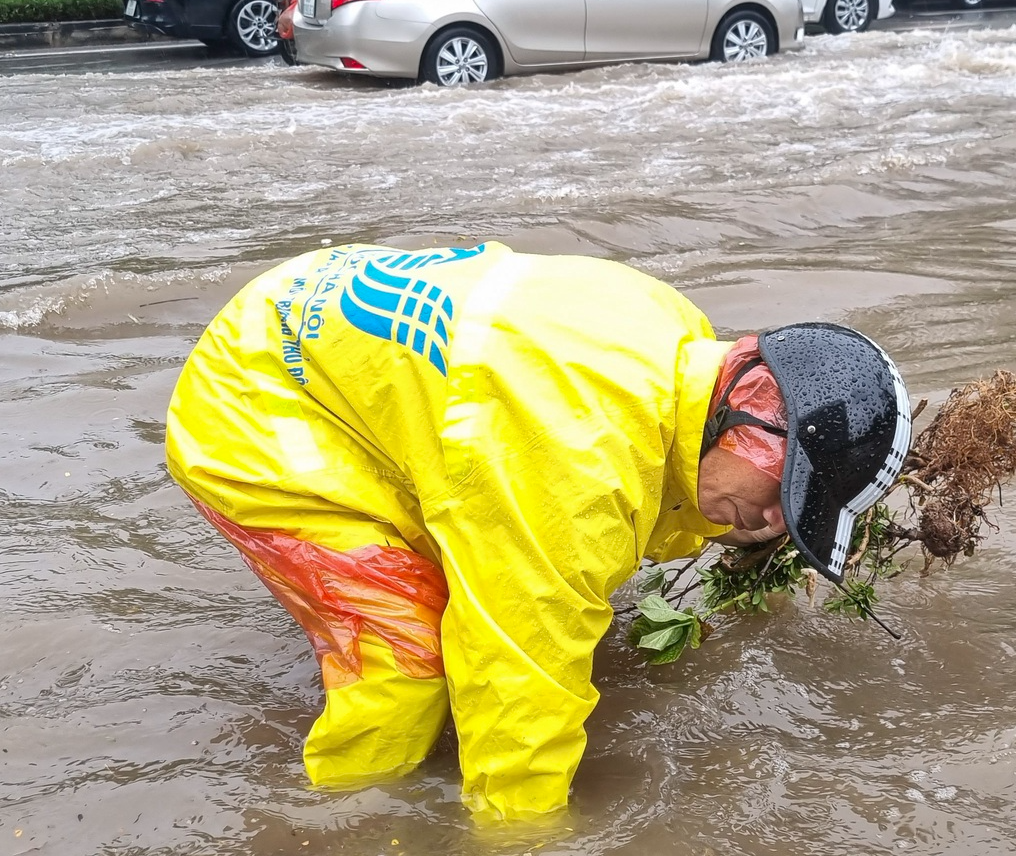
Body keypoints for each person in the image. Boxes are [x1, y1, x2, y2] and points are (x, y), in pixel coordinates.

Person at [165, 243, 910, 820]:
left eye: (798, 515)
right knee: (407, 656)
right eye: (783, 492)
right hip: (255, 402)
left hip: (315, 324)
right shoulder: (578, 460)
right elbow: (518, 675)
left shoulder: (673, 338)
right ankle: (337, 828)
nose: (772, 526)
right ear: (747, 407)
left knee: (477, 555)